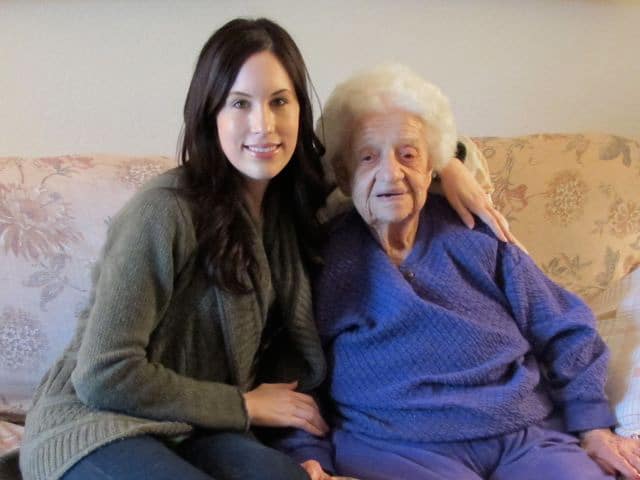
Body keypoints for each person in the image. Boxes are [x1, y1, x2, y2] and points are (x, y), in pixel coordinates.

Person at [18, 19, 512, 480]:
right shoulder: (162, 211)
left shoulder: (295, 199)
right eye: (240, 103)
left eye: (280, 101)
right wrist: (246, 406)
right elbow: (104, 374)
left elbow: (396, 154)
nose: (264, 126)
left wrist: (450, 166)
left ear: (301, 108)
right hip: (96, 422)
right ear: (210, 112)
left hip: (198, 428)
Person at [277, 64, 640, 480]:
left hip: (523, 436)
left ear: (433, 165)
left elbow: (565, 328)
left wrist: (592, 426)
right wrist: (307, 456)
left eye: (408, 154)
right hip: (396, 446)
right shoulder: (322, 259)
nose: (391, 173)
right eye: (368, 157)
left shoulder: (478, 235)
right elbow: (295, 374)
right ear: (343, 173)